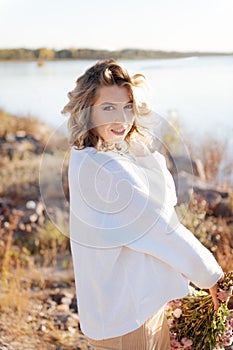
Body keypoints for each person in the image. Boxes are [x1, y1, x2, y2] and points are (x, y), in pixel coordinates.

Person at [62, 59, 224, 350]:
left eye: (127, 107)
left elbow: (164, 200)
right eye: (108, 108)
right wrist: (211, 277)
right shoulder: (108, 173)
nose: (122, 119)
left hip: (125, 309)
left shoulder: (88, 155)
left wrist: (138, 146)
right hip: (128, 318)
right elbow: (161, 227)